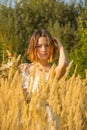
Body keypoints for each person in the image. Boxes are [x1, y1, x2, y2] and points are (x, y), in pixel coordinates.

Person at [19, 29, 69, 130]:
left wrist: (60, 45)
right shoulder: (24, 68)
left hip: (48, 119)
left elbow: (64, 63)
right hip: (29, 117)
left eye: (47, 45)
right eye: (39, 46)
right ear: (33, 47)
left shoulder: (53, 72)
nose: (44, 49)